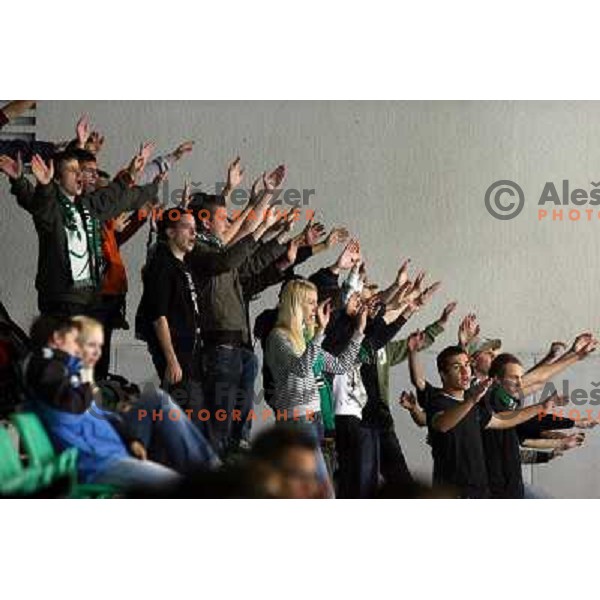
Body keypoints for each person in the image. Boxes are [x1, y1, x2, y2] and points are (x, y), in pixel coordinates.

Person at [21, 315, 181, 491]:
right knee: (178, 484)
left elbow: (101, 415)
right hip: (97, 462)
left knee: (156, 401)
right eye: (77, 341)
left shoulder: (69, 371)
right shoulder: (49, 369)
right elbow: (74, 406)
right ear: (57, 339)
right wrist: (87, 379)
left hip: (109, 452)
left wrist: (130, 439)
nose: (80, 348)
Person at [0, 146, 161, 316]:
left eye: (79, 170)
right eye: (72, 170)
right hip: (61, 301)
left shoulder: (88, 205)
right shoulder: (52, 208)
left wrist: (141, 179)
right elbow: (41, 204)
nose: (79, 175)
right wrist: (36, 184)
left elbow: (112, 196)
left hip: (91, 299)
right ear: (57, 178)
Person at [407, 337, 569, 498]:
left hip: (483, 491)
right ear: (443, 375)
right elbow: (442, 423)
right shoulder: (441, 400)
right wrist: (413, 352)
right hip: (455, 493)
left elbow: (502, 420)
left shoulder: (477, 400)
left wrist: (541, 407)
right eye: (457, 367)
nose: (465, 371)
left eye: (466, 366)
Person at [71, 316, 218, 474]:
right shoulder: (62, 379)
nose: (97, 353)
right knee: (176, 481)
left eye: (99, 346)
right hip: (104, 456)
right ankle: (209, 473)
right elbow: (81, 428)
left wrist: (127, 431)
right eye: (91, 345)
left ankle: (210, 469)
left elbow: (100, 417)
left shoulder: (80, 376)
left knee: (155, 398)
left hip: (117, 441)